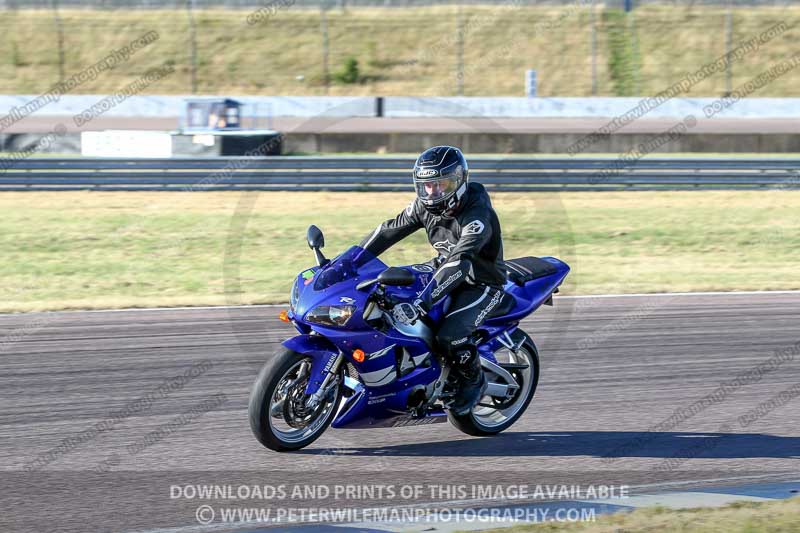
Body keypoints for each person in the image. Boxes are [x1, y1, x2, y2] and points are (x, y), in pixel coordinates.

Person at [359, 145, 510, 415]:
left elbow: (460, 262)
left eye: (441, 184)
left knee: (449, 337)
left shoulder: (477, 216)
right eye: (427, 185)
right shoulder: (423, 206)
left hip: (481, 283)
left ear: (460, 181)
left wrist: (421, 303)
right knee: (385, 289)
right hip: (441, 268)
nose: (433, 192)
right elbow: (387, 231)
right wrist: (347, 262)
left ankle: (474, 380)